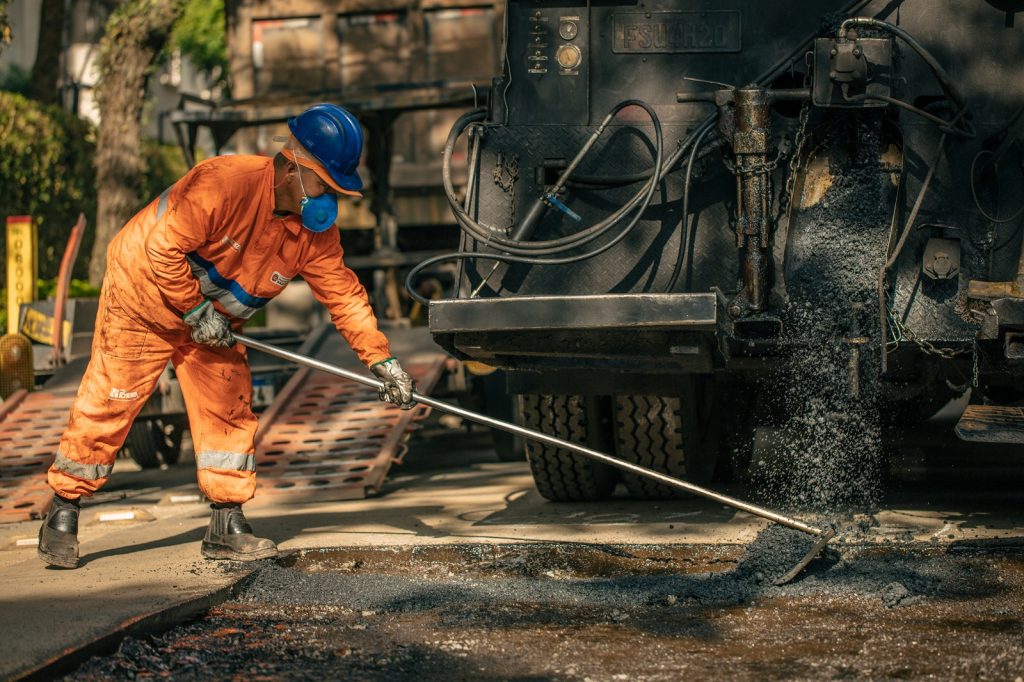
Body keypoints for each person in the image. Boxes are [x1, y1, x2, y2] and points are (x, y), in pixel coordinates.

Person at [37, 103, 416, 569]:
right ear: (294, 165)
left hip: (211, 324)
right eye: (326, 183)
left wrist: (382, 361)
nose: (330, 197)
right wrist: (195, 309)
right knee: (110, 400)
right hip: (144, 297)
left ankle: (225, 523)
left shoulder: (314, 234)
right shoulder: (223, 182)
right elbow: (162, 247)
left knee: (228, 407)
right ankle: (62, 511)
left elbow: (345, 297)